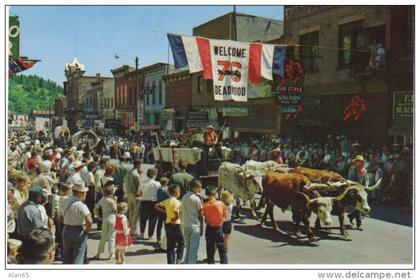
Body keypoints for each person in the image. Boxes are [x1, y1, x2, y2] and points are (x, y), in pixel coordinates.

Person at [58, 180, 92, 264]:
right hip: (78, 230)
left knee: (66, 257)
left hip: (66, 230)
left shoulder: (64, 202)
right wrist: (87, 230)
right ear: (80, 193)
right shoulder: (81, 205)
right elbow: (89, 220)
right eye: (84, 192)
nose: (85, 194)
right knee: (78, 256)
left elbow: (59, 217)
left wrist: (67, 222)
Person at [155, 184, 184, 264]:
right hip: (176, 224)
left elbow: (156, 206)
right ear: (177, 193)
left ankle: (170, 263)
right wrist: (176, 217)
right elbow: (176, 212)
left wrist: (165, 211)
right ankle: (179, 258)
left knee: (170, 245)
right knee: (181, 242)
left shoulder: (166, 201)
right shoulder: (178, 202)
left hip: (168, 224)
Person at [180, 179, 204, 264]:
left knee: (188, 250)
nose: (201, 188)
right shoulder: (196, 199)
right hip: (195, 227)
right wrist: (202, 228)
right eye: (200, 187)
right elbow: (201, 214)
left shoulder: (184, 197)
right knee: (193, 252)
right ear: (195, 187)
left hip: (186, 226)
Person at [203, 187, 228, 264]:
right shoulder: (221, 203)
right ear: (215, 194)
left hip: (210, 228)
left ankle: (211, 264)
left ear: (206, 195)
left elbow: (205, 217)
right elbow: (225, 215)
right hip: (218, 228)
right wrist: (220, 221)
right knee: (221, 248)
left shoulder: (205, 205)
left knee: (210, 249)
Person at [94, 182, 117, 260]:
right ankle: (111, 253)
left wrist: (98, 216)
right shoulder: (111, 201)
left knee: (103, 236)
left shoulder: (102, 199)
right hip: (112, 218)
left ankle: (98, 253)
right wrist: (115, 201)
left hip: (104, 218)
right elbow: (115, 210)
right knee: (112, 237)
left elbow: (96, 208)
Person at [137, 167, 161, 239]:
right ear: (154, 175)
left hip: (144, 202)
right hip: (154, 202)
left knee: (143, 218)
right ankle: (150, 235)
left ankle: (142, 233)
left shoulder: (142, 183)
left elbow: (139, 193)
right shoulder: (157, 184)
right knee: (152, 219)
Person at [347, 155, 369, 229]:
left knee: (360, 205)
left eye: (360, 162)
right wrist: (354, 186)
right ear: (355, 162)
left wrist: (365, 187)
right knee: (359, 205)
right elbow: (350, 179)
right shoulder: (352, 169)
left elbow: (366, 180)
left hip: (362, 190)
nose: (359, 163)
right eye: (357, 161)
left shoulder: (364, 170)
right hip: (355, 189)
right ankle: (358, 222)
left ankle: (351, 216)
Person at [123, 159, 142, 236]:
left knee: (130, 212)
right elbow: (139, 186)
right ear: (138, 165)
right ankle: (133, 230)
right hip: (135, 194)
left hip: (128, 193)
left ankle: (129, 228)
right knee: (135, 213)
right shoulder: (136, 175)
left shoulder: (129, 172)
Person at [156, 177, 170, 243]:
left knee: (159, 223)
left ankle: (158, 237)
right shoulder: (166, 191)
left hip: (159, 207)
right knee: (166, 223)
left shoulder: (158, 190)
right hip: (165, 207)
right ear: (166, 182)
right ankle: (166, 237)